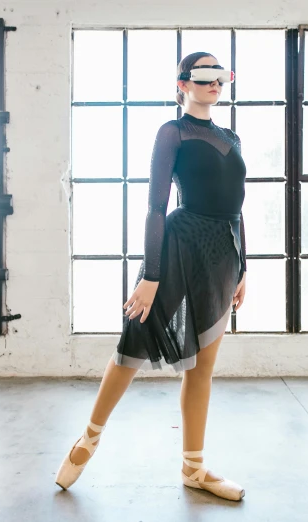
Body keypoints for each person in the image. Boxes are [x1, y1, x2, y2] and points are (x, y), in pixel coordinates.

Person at [55, 52, 248, 502]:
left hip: (221, 255)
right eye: (204, 77)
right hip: (178, 248)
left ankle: (194, 469)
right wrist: (151, 276)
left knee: (202, 367)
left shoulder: (232, 136)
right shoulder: (173, 132)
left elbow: (237, 207)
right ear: (182, 83)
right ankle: (89, 438)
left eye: (221, 76)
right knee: (132, 349)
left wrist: (244, 267)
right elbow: (155, 208)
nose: (214, 84)